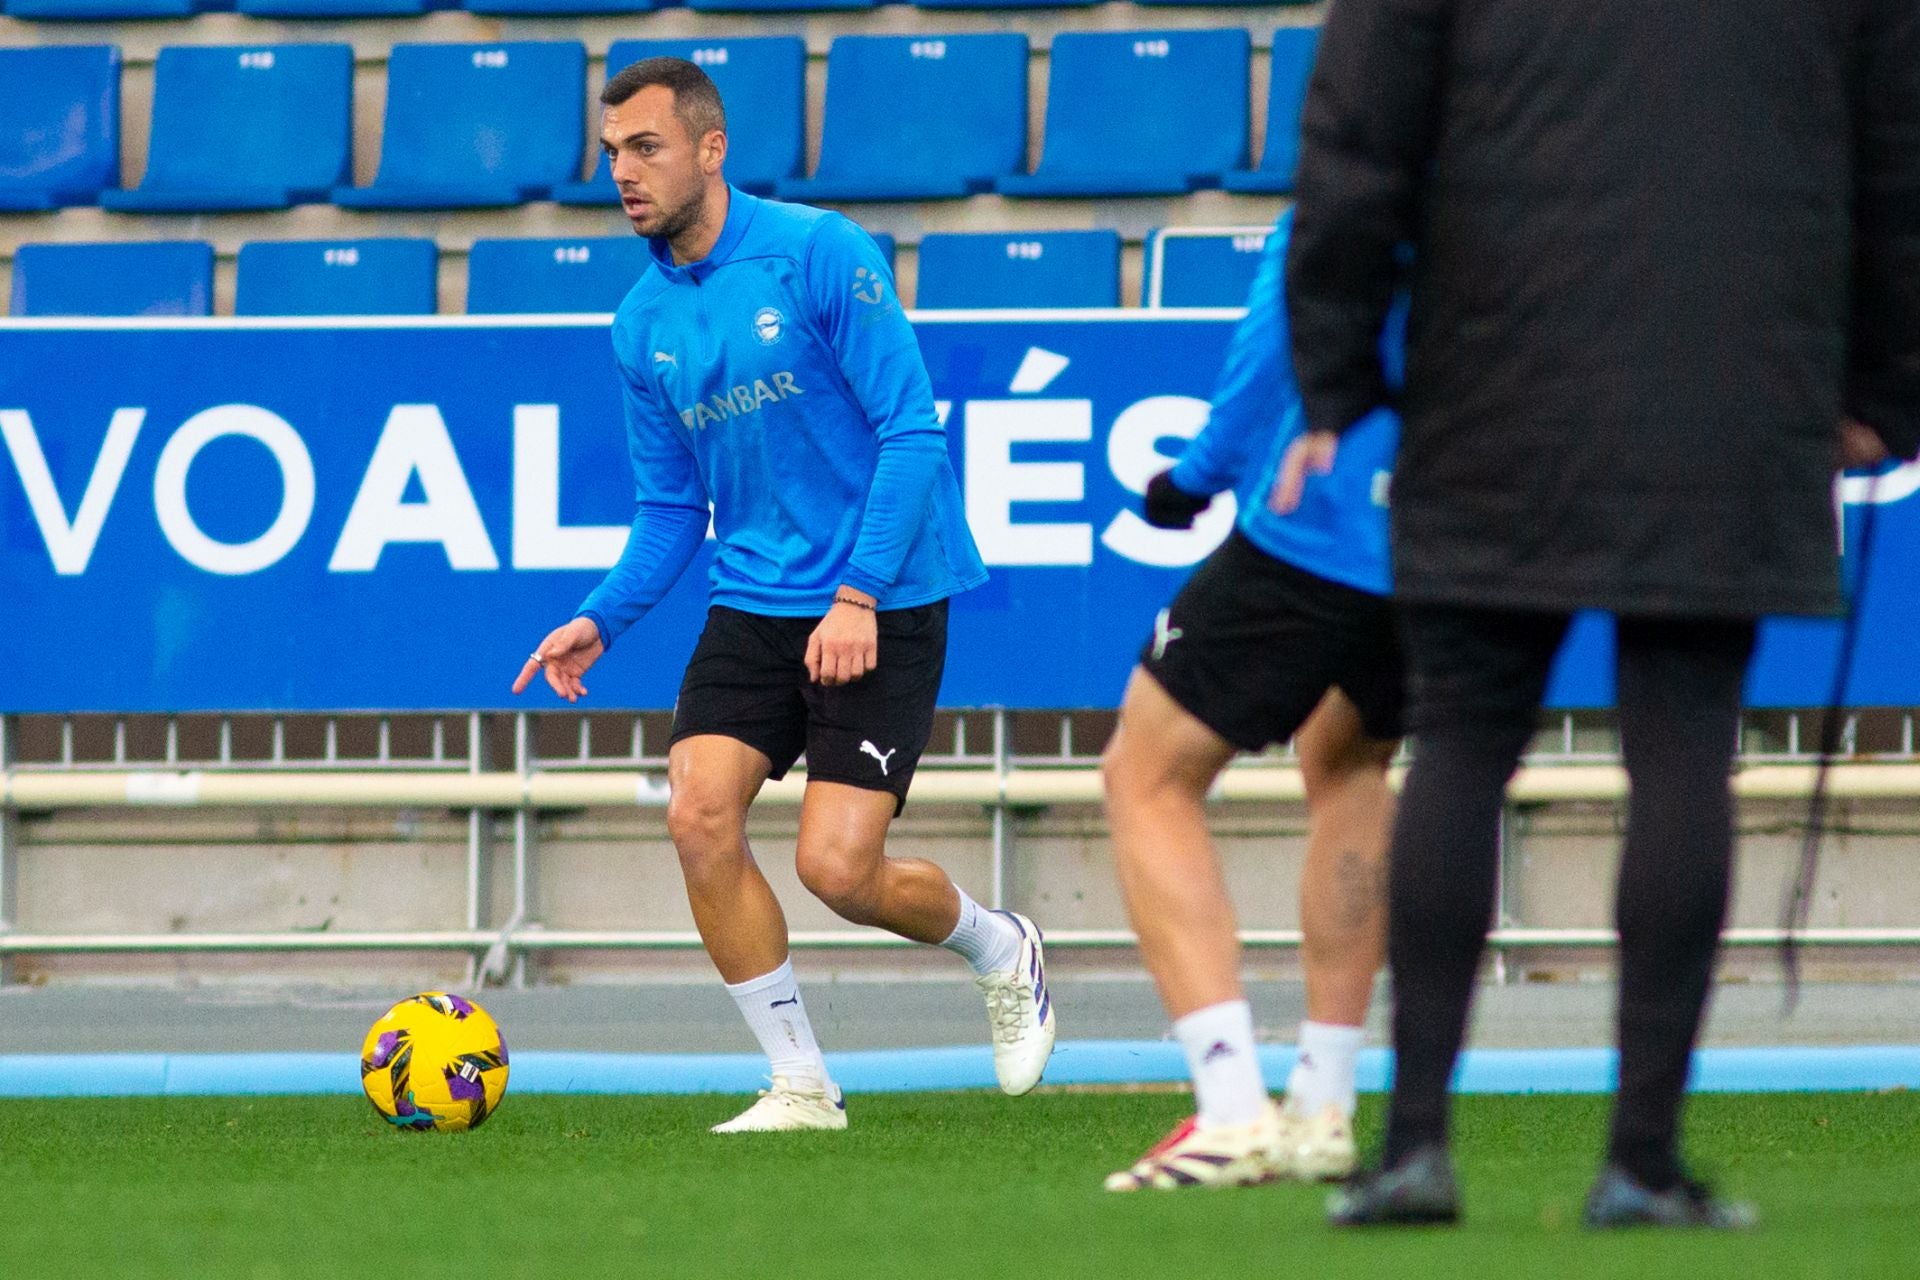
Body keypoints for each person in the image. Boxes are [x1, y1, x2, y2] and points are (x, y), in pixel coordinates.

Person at [1282, 0, 1920, 1229]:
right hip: (1730, 391)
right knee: (1685, 747)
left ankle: (1414, 1145)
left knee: (1461, 744)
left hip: (1492, 380)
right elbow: (1895, 163)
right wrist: (1882, 389)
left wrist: (1338, 370)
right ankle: (1643, 1157)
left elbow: (1358, 138)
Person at [513, 57, 1056, 1132]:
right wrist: (600, 616)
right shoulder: (639, 325)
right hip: (754, 595)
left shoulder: (819, 253)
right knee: (698, 812)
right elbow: (673, 511)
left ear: (711, 151)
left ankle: (1003, 945)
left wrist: (857, 594)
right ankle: (801, 1081)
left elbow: (912, 431)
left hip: (884, 587)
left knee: (838, 868)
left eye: (646, 148)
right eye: (612, 152)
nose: (622, 172)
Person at [1101, 213, 1406, 1190]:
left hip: (1319, 519)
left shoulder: (1362, 165)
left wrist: (1192, 477)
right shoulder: (1522, 162)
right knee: (1350, 762)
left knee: (1145, 774)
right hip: (1448, 536)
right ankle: (1324, 1103)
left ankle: (1232, 1106)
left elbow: (1279, 332)